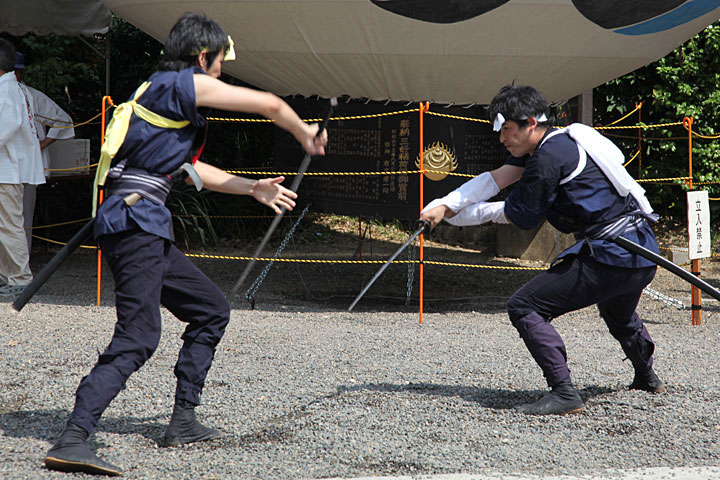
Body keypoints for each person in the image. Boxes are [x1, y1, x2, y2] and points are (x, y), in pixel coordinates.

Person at [44, 13, 327, 476]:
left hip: (143, 225)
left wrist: (252, 186)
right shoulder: (177, 84)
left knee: (211, 308)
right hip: (135, 223)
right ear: (202, 57)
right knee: (138, 336)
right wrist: (306, 134)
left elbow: (192, 170)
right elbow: (271, 103)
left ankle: (182, 421)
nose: (220, 73)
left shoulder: (162, 103)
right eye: (218, 64)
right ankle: (73, 438)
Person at [420, 84, 663, 416]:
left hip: (613, 255)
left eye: (507, 129)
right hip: (642, 252)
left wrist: (453, 216)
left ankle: (564, 392)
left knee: (524, 305)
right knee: (618, 313)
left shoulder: (548, 157)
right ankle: (648, 377)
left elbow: (517, 214)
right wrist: (445, 205)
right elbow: (495, 179)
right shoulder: (560, 144)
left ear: (530, 123)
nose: (502, 138)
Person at [15, 51, 76, 251]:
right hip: (10, 164)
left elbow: (63, 120)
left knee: (23, 218)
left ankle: (21, 266)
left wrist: (41, 144)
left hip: (27, 166)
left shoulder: (32, 96)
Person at [0, 39, 44, 297]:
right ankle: (9, 275)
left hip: (7, 168)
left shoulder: (7, 91)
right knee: (6, 225)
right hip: (7, 167)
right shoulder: (11, 88)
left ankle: (19, 278)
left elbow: (7, 127)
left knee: (9, 225)